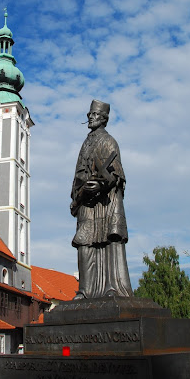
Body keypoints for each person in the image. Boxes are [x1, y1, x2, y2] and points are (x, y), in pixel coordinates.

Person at [70, 100, 132, 299]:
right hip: (87, 201)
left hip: (105, 202)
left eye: (95, 115)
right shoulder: (86, 143)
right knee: (84, 241)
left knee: (108, 242)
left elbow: (117, 175)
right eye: (89, 114)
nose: (90, 117)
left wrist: (101, 185)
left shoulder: (108, 141)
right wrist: (79, 193)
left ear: (104, 119)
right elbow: (79, 173)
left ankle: (112, 288)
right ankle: (85, 291)